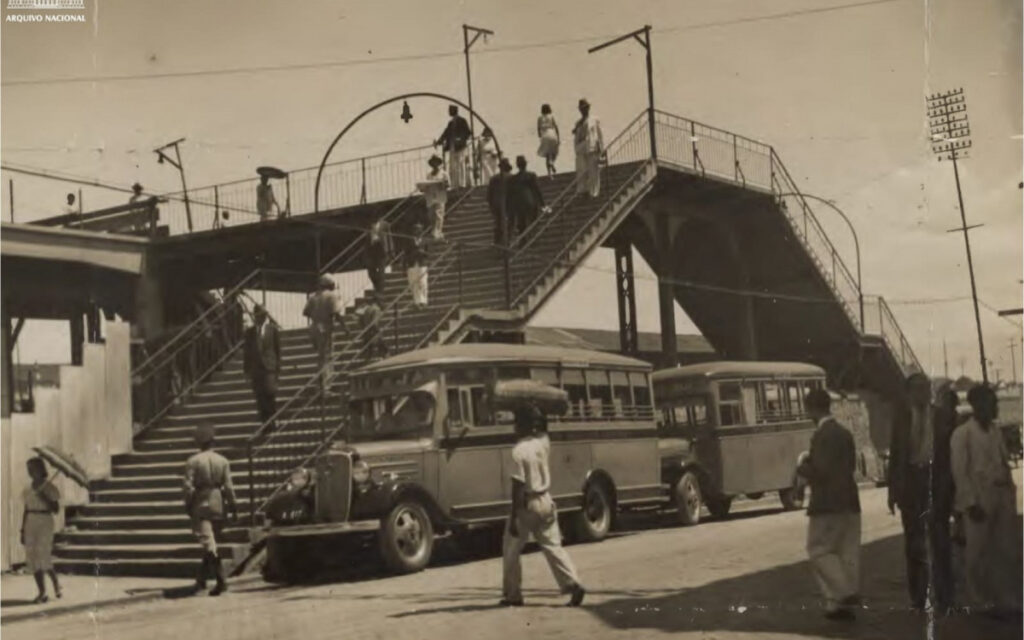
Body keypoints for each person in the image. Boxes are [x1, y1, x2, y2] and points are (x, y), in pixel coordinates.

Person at [501, 403, 585, 607]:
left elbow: (518, 486)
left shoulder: (518, 451)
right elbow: (545, 430)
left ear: (520, 426)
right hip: (546, 500)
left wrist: (513, 516)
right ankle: (573, 583)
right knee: (553, 547)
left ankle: (513, 594)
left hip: (527, 504)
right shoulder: (543, 443)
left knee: (511, 550)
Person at [950, 384, 1020, 615]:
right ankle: (977, 598)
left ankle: (1005, 597)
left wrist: (1010, 491)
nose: (996, 407)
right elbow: (959, 472)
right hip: (979, 499)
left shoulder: (995, 431)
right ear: (978, 405)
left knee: (1004, 549)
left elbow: (1002, 462)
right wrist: (969, 503)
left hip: (1001, 496)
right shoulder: (963, 434)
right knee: (976, 552)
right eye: (992, 403)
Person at [796, 389, 861, 621]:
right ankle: (837, 605)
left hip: (827, 503)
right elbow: (851, 466)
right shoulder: (844, 433)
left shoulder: (822, 435)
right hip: (850, 500)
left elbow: (820, 470)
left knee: (819, 550)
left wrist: (802, 468)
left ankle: (844, 592)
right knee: (846, 551)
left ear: (811, 408)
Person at [887, 372, 950, 611]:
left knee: (940, 540)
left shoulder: (942, 416)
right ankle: (918, 596)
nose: (921, 393)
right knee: (913, 543)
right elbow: (895, 456)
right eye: (915, 389)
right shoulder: (902, 418)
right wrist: (893, 492)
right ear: (908, 393)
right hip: (911, 483)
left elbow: (948, 456)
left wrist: (949, 490)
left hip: (936, 482)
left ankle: (945, 595)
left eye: (925, 388)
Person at [183, 422, 238, 596]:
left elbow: (188, 487)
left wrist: (188, 503)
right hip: (218, 500)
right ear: (213, 442)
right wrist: (234, 505)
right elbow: (229, 486)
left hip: (202, 501)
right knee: (210, 542)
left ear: (199, 443)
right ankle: (201, 579)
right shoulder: (222, 460)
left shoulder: (193, 461)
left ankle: (222, 580)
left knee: (209, 544)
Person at [21, 457, 61, 604]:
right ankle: (42, 592)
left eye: (32, 469)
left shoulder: (49, 487)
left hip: (45, 521)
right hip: (31, 521)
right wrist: (22, 530)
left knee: (43, 554)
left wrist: (45, 498)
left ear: (40, 469)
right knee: (32, 557)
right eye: (28, 469)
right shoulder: (27, 488)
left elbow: (56, 509)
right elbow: (26, 510)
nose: (30, 472)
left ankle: (55, 581)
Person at [302, 276, 347, 396]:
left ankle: (320, 385)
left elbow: (305, 312)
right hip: (325, 327)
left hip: (314, 327)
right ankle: (325, 387)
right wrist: (345, 327)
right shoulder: (332, 296)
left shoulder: (313, 297)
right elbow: (336, 313)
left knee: (321, 358)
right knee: (327, 358)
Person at [243, 305, 281, 428]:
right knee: (260, 397)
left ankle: (273, 420)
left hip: (269, 367)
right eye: (259, 316)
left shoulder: (272, 330)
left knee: (270, 394)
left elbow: (277, 349)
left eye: (263, 315)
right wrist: (246, 370)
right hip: (256, 369)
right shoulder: (250, 332)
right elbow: (247, 353)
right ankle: (265, 423)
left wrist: (277, 367)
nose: (261, 318)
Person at [572, 98, 604, 198]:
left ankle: (594, 192)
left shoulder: (594, 120)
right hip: (581, 148)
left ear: (588, 108)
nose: (583, 110)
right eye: (581, 109)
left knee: (593, 170)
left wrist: (601, 149)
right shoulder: (578, 123)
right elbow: (577, 136)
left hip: (592, 147)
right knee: (581, 170)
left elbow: (600, 135)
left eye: (585, 108)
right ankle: (582, 190)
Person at [509, 155, 546, 239]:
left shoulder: (513, 179)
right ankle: (533, 238)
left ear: (517, 166)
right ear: (526, 164)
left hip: (519, 204)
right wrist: (543, 204)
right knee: (533, 220)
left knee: (521, 222)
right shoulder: (531, 175)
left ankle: (523, 240)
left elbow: (511, 193)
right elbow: (537, 190)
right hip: (530, 201)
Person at [435, 105, 471, 189]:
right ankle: (455, 184)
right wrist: (439, 141)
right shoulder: (450, 123)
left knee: (461, 165)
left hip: (461, 147)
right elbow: (446, 133)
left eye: (450, 110)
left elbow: (468, 132)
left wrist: (460, 139)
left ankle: (462, 184)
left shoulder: (462, 121)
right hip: (452, 147)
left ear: (454, 111)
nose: (449, 112)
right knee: (453, 166)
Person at [419, 155, 450, 240]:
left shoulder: (443, 173)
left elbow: (447, 185)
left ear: (438, 163)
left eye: (436, 162)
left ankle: (438, 232)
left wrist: (442, 184)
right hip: (431, 197)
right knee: (431, 215)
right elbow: (426, 185)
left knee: (438, 214)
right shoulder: (429, 175)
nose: (434, 164)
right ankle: (435, 232)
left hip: (439, 196)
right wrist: (423, 187)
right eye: (433, 162)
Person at [487, 157, 513, 247]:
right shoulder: (511, 177)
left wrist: (491, 205)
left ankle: (497, 241)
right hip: (508, 203)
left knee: (498, 223)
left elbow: (489, 194)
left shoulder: (493, 178)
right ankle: (507, 241)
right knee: (509, 222)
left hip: (496, 204)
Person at [356, 293, 386, 360]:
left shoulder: (367, 309)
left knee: (369, 351)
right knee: (382, 347)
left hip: (367, 332)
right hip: (373, 332)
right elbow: (374, 323)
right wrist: (378, 331)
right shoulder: (377, 309)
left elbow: (360, 321)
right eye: (382, 301)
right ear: (378, 301)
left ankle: (367, 362)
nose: (383, 303)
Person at [405, 224, 429, 308]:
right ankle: (417, 302)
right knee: (414, 283)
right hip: (412, 263)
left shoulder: (425, 240)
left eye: (419, 230)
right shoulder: (409, 241)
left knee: (423, 282)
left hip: (422, 263)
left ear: (422, 231)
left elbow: (430, 252)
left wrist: (423, 252)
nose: (417, 232)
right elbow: (406, 253)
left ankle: (424, 300)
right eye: (415, 230)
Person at [366, 219, 392, 294]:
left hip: (382, 252)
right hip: (372, 252)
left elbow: (389, 238)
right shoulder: (369, 225)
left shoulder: (385, 225)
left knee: (381, 272)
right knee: (371, 272)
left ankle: (380, 290)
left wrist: (391, 251)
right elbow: (367, 240)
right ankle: (377, 286)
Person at [537, 104, 560, 177]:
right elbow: (556, 127)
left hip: (544, 135)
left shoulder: (539, 118)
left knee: (547, 155)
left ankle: (549, 174)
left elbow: (538, 129)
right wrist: (558, 137)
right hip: (552, 134)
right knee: (555, 152)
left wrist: (540, 137)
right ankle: (552, 162)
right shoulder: (551, 116)